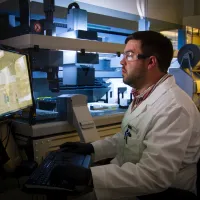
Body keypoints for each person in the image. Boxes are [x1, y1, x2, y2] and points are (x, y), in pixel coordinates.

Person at [50, 31, 200, 200]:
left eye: (129, 55)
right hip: (129, 180)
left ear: (151, 62)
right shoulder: (143, 95)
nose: (121, 61)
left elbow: (155, 176)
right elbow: (128, 137)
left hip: (159, 194)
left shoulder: (174, 108)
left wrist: (90, 177)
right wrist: (92, 148)